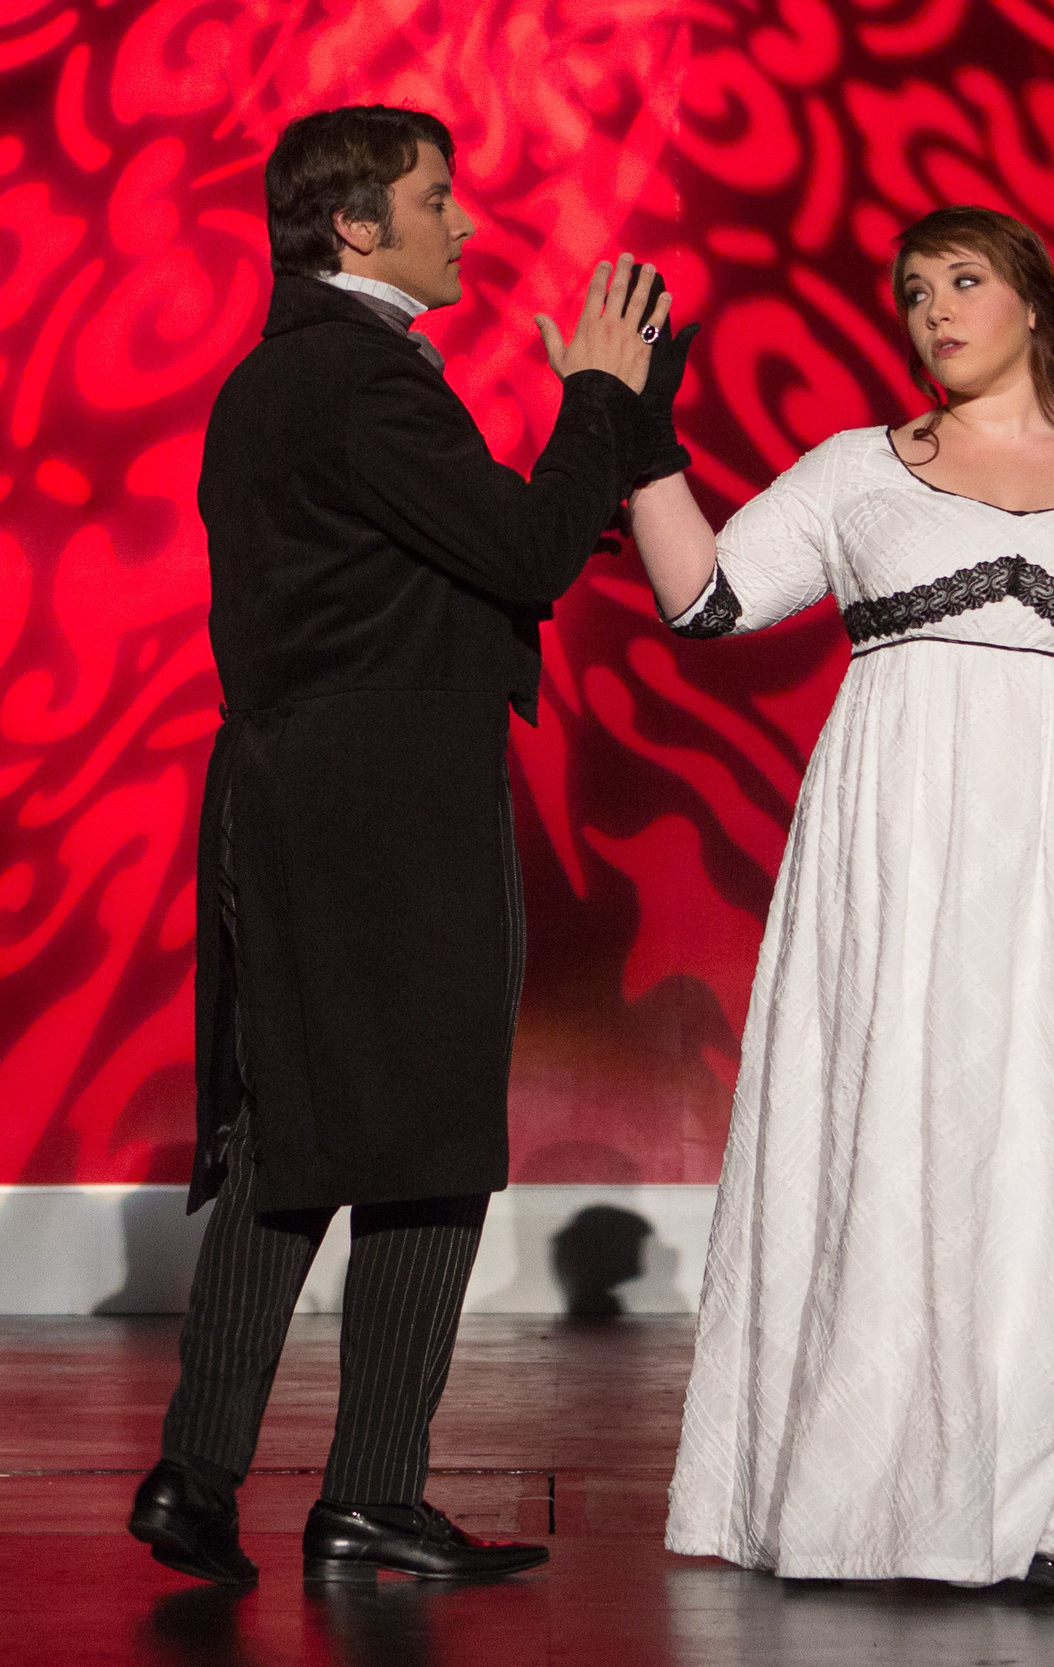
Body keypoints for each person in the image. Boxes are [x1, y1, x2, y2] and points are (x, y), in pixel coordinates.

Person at [626, 206, 1054, 1593]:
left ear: (1043, 302)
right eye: (915, 290)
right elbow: (706, 604)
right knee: (885, 1128)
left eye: (966, 282)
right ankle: (851, 1490)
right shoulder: (861, 472)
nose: (936, 311)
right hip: (900, 843)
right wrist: (641, 446)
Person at [129, 105, 684, 1586]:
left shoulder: (292, 378)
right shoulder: (361, 378)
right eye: (440, 198)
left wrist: (603, 431)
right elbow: (517, 551)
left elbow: (463, 560)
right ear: (357, 227)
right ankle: (367, 1489)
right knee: (428, 1136)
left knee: (297, 1130)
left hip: (306, 795)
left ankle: (198, 1474)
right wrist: (602, 403)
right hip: (382, 810)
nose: (468, 222)